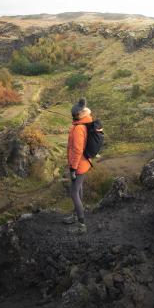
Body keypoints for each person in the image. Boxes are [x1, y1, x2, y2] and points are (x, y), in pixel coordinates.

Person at [64, 98, 93, 234]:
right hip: (84, 163)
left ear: (76, 115)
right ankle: (76, 216)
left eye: (73, 115)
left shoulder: (78, 128)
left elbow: (77, 150)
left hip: (79, 165)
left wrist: (73, 168)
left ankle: (82, 225)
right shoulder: (85, 123)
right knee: (79, 189)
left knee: (74, 193)